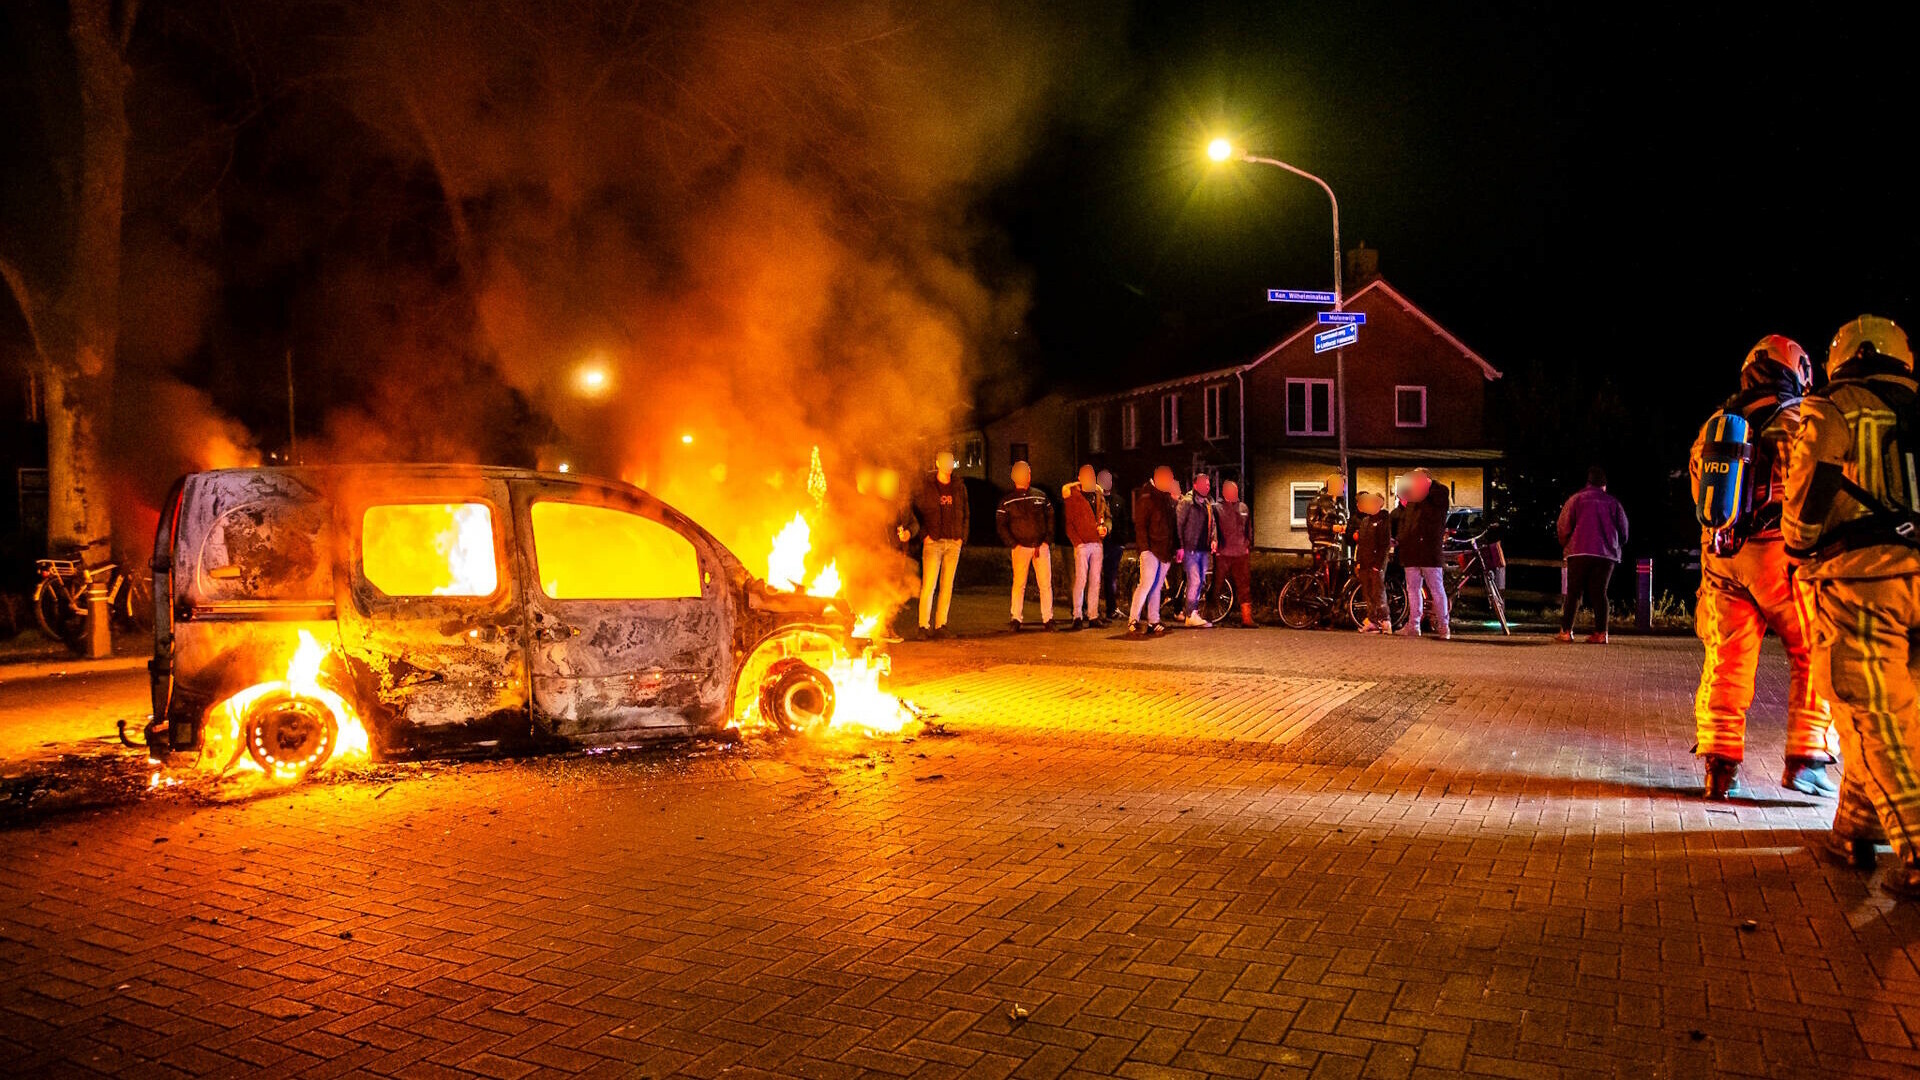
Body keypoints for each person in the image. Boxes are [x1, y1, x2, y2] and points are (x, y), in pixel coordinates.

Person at [1784, 315, 1920, 895]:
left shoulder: (1836, 405)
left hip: (1864, 578)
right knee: (1904, 711)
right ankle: (1856, 827)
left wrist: (1797, 544)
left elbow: (1812, 481)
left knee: (1873, 714)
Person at [1689, 336, 1835, 800]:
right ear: (1795, 371)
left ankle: (1719, 765)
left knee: (1726, 658)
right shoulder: (1798, 419)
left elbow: (1702, 499)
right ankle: (1808, 758)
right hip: (1779, 557)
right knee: (1814, 649)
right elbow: (1813, 490)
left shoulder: (1713, 428)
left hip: (1722, 557)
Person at [897, 449, 967, 639]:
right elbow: (917, 512)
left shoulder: (959, 486)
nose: (949, 464)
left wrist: (961, 537)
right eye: (945, 460)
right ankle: (923, 626)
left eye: (951, 460)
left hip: (953, 542)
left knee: (947, 585)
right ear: (937, 463)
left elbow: (965, 512)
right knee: (929, 585)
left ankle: (941, 625)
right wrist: (925, 536)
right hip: (933, 543)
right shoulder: (927, 486)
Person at [1555, 467, 1630, 644]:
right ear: (1604, 486)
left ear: (1588, 483)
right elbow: (1624, 531)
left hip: (1579, 551)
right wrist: (1616, 544)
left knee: (1574, 592)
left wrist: (1566, 543)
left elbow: (1563, 525)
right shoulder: (1613, 503)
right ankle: (1601, 633)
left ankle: (1566, 632)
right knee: (1599, 593)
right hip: (1606, 554)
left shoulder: (1576, 499)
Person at [996, 461, 1055, 631]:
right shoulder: (1007, 501)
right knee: (1019, 584)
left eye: (1027, 473)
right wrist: (1014, 544)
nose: (1025, 476)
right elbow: (1001, 525)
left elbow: (1050, 518)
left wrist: (1046, 541)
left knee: (1045, 584)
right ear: (1014, 477)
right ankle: (1016, 618)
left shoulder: (1041, 496)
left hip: (1040, 547)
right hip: (1020, 548)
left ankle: (1048, 618)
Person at [1394, 468, 1450, 638]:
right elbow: (1405, 523)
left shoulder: (1438, 494)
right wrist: (1400, 539)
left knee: (1436, 589)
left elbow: (1440, 494)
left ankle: (1443, 626)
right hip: (1411, 551)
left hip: (1429, 551)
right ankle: (1414, 625)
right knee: (1413, 590)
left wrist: (1429, 486)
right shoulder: (1412, 501)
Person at [1129, 466, 1180, 637]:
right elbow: (1141, 526)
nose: (1172, 482)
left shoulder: (1166, 498)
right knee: (1146, 584)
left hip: (1164, 550)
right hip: (1151, 549)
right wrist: (1144, 549)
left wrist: (1176, 547)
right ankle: (1133, 620)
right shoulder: (1147, 497)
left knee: (1156, 586)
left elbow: (1172, 526)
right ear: (1160, 479)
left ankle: (1154, 621)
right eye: (1170, 479)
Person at [1062, 464, 1111, 630]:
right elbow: (1069, 524)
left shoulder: (1098, 496)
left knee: (1095, 581)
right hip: (1083, 544)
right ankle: (1077, 615)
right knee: (1081, 580)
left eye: (1092, 475)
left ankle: (1093, 615)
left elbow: (1106, 516)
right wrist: (1078, 542)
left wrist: (1105, 529)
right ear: (1080, 478)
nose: (1090, 478)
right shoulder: (1073, 497)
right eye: (1087, 475)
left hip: (1097, 542)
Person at [1176, 474, 1218, 627]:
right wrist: (1180, 546)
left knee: (1201, 581)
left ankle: (1192, 612)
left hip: (1203, 549)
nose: (1207, 487)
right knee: (1195, 580)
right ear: (1195, 485)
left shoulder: (1207, 503)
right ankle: (1190, 614)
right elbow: (1179, 524)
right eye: (1203, 484)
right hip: (1190, 548)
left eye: (1208, 484)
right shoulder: (1187, 502)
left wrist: (1213, 539)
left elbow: (1212, 523)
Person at [1213, 480, 1255, 628]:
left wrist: (1247, 543)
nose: (1234, 494)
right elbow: (1213, 528)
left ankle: (1247, 618)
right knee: (1216, 585)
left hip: (1241, 553)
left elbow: (1248, 527)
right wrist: (1215, 543)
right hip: (1223, 553)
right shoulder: (1216, 508)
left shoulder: (1243, 507)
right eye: (1231, 491)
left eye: (1235, 491)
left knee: (1244, 586)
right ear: (1224, 492)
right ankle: (1209, 615)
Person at [1351, 491, 1392, 633]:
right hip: (1365, 563)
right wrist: (1358, 562)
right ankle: (1373, 620)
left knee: (1378, 592)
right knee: (1367, 593)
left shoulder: (1383, 521)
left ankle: (1385, 621)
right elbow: (1361, 544)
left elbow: (1384, 545)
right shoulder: (1365, 521)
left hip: (1375, 564)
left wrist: (1378, 565)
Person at [1306, 473, 1349, 592]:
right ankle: (1316, 596)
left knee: (1335, 577)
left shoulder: (1340, 504)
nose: (1342, 488)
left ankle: (1330, 599)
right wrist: (1331, 528)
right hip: (1322, 544)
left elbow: (1345, 519)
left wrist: (1345, 528)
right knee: (1322, 577)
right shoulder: (1318, 501)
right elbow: (1312, 523)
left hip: (1336, 545)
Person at [1097, 469, 1127, 621]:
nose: (1106, 482)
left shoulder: (1119, 501)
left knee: (1111, 578)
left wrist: (1122, 542)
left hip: (1114, 545)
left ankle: (1111, 608)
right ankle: (1092, 610)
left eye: (1108, 479)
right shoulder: (1095, 500)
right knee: (1095, 578)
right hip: (1098, 544)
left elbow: (1124, 521)